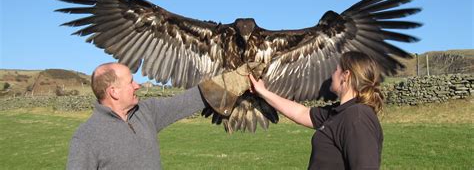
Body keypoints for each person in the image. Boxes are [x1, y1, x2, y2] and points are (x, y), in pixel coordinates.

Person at [67, 62, 261, 169]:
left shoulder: (146, 112)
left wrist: (234, 80)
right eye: (131, 82)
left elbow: (189, 100)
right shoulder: (86, 138)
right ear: (114, 92)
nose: (138, 85)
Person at [249, 51, 384, 170]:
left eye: (336, 70)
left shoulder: (357, 116)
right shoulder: (337, 113)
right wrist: (263, 92)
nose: (332, 74)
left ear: (346, 75)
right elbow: (300, 113)